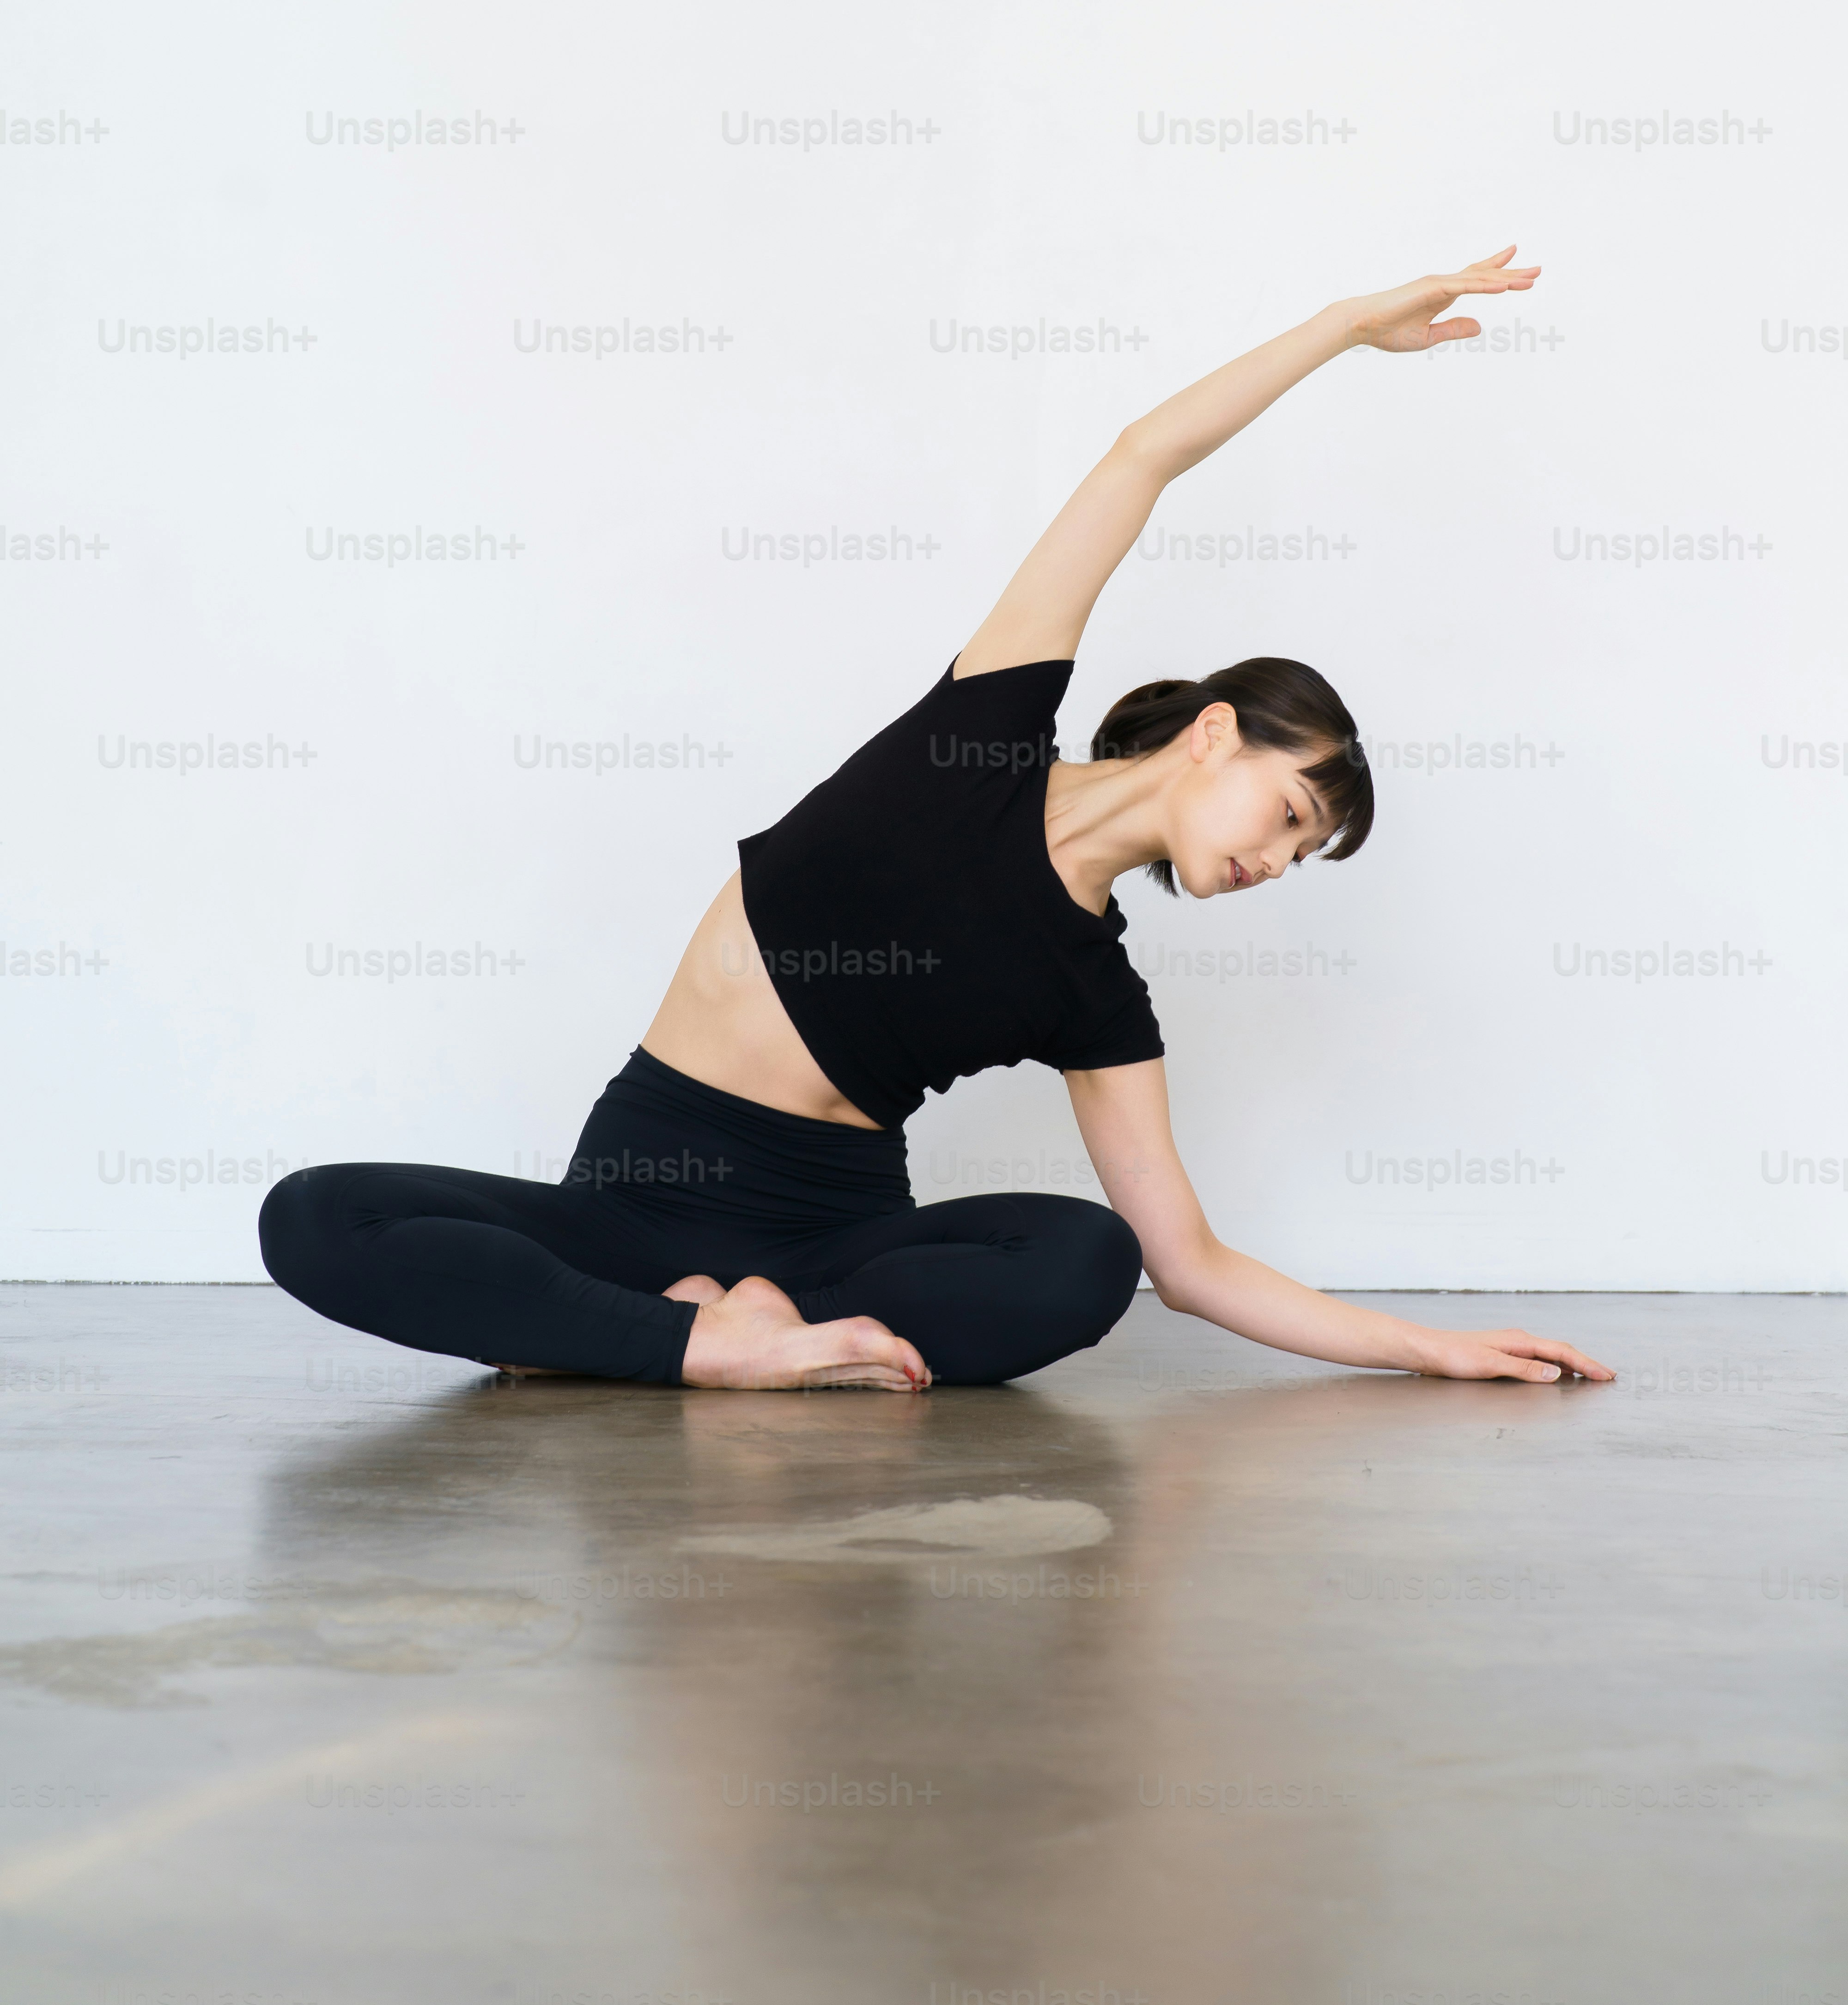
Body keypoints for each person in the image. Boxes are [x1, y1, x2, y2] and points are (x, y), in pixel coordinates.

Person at [260, 249, 1611, 1395]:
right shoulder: (983, 733)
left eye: (1302, 856)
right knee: (317, 1218)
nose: (1274, 860)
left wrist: (1431, 1350)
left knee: (1086, 1258)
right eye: (1290, 808)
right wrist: (1337, 332)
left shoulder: (1095, 989)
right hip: (636, 1189)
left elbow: (1186, 1265)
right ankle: (709, 1348)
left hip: (832, 1235)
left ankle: (678, 1343)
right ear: (1215, 733)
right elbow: (1143, 459)